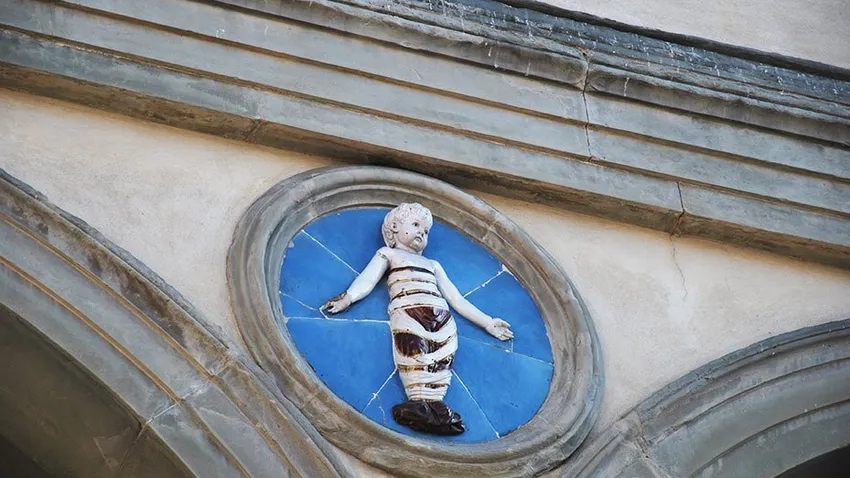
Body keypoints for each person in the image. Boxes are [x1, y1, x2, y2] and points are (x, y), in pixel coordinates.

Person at [323, 203, 513, 435]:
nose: (421, 233)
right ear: (395, 227)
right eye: (415, 225)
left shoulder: (433, 265)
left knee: (442, 357)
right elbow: (368, 279)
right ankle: (418, 402)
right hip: (408, 311)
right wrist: (348, 298)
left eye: (425, 231)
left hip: (441, 316)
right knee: (413, 352)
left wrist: (488, 322)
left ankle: (436, 404)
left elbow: (456, 299)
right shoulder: (389, 254)